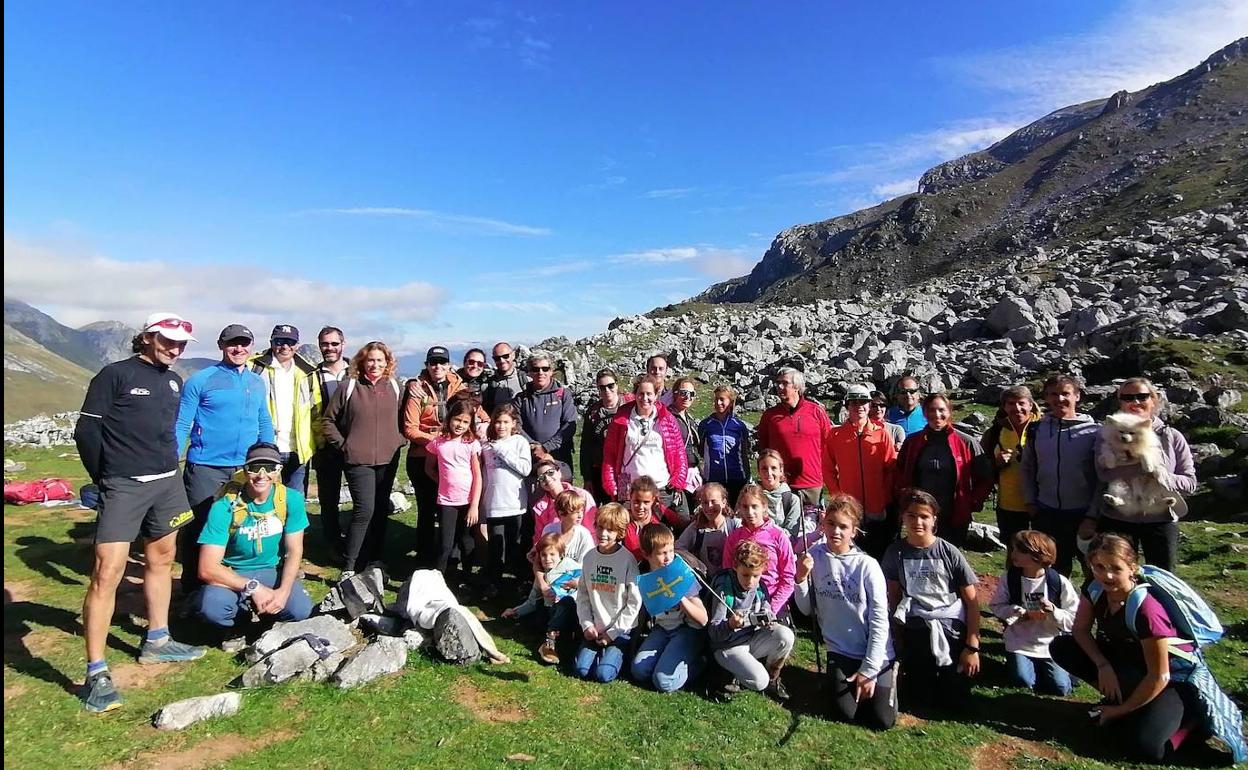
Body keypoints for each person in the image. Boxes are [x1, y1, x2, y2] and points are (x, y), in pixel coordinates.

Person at [73, 312, 206, 713]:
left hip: (167, 483)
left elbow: (165, 431)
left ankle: (158, 639)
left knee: (162, 559)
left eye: (182, 343)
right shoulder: (114, 375)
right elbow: (86, 431)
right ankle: (96, 672)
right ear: (147, 337)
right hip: (124, 485)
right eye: (167, 340)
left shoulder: (173, 380)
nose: (175, 348)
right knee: (107, 572)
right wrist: (104, 477)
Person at [1050, 534, 1244, 764]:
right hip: (1134, 663)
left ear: (1132, 568)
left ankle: (1193, 722)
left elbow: (1159, 675)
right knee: (1064, 647)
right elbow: (1080, 630)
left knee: (1148, 747)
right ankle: (1131, 705)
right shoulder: (1094, 589)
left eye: (1115, 568)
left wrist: (1118, 711)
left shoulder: (1146, 609)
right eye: (1099, 567)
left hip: (1175, 679)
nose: (1107, 575)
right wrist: (1103, 666)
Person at [174, 323, 274, 597]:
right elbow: (183, 423)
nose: (238, 348)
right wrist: (171, 458)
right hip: (206, 466)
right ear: (221, 346)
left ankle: (230, 584)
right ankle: (192, 589)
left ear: (251, 347)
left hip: (245, 468)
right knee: (201, 527)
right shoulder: (201, 379)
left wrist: (270, 456)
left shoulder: (256, 381)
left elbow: (263, 418)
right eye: (232, 343)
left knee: (241, 526)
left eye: (244, 343)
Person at [794, 494, 897, 729]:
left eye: (843, 526)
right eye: (831, 524)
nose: (836, 531)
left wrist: (870, 670)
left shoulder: (868, 566)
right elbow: (806, 609)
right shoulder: (813, 558)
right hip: (840, 650)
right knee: (845, 713)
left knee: (883, 720)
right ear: (823, 524)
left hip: (876, 652)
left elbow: (880, 622)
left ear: (854, 531)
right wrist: (800, 578)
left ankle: (889, 674)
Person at [196, 442, 314, 628]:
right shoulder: (224, 506)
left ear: (278, 471)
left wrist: (283, 592)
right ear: (245, 471)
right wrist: (254, 588)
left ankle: (266, 617)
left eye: (269, 468)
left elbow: (294, 551)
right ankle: (239, 624)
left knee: (300, 610)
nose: (262, 475)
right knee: (213, 610)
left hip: (271, 569)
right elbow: (207, 568)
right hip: (233, 572)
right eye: (254, 468)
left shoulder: (291, 499)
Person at [882, 489, 980, 710]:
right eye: (912, 515)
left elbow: (972, 602)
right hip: (917, 627)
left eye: (924, 516)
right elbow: (893, 598)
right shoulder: (895, 553)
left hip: (951, 629)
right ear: (902, 518)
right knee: (919, 698)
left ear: (934, 519)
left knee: (956, 702)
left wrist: (972, 647)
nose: (918, 521)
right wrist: (896, 640)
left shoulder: (949, 552)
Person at [1085, 378, 1196, 572]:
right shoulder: (1107, 435)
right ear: (1120, 402)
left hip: (1160, 518)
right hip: (1117, 517)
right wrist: (1138, 465)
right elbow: (1103, 474)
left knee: (1163, 577)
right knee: (1114, 575)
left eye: (1142, 396)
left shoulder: (1171, 436)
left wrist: (1161, 475)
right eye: (1128, 397)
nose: (1135, 402)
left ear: (1153, 400)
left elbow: (1190, 482)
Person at [319, 341, 405, 578]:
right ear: (361, 362)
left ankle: (374, 560)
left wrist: (398, 440)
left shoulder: (395, 387)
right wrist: (344, 445)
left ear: (387, 363)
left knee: (379, 510)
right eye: (370, 360)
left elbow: (402, 417)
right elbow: (328, 421)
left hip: (388, 459)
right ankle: (349, 565)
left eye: (380, 360)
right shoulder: (349, 386)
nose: (375, 365)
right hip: (358, 460)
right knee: (364, 510)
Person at [1019, 374, 1098, 575]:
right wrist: (1030, 502)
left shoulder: (1095, 431)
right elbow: (1027, 467)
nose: (1060, 399)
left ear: (1077, 396)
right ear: (1046, 397)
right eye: (1053, 394)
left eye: (1065, 393)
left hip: (1083, 513)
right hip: (1047, 512)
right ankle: (1055, 606)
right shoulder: (1037, 429)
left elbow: (1103, 477)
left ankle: (1092, 607)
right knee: (1052, 570)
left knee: (1093, 571)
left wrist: (1093, 515)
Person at [894, 393, 990, 549]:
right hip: (921, 515)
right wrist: (905, 497)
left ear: (949, 411)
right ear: (925, 413)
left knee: (950, 557)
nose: (936, 415)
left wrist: (972, 501)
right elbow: (900, 472)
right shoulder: (912, 442)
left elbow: (985, 477)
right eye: (931, 410)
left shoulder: (966, 442)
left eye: (941, 410)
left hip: (955, 514)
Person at [988, 530, 1077, 695]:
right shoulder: (1010, 578)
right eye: (1013, 549)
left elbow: (1074, 619)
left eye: (1020, 551)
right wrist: (1012, 611)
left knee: (1061, 688)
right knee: (1022, 681)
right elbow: (996, 606)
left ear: (1038, 555)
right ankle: (1027, 667)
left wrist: (1054, 611)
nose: (1013, 554)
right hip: (1019, 641)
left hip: (1050, 643)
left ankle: (1058, 671)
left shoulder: (1058, 582)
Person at [708, 540, 796, 701]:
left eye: (755, 576)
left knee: (786, 635)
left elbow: (766, 609)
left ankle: (773, 677)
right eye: (745, 575)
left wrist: (767, 619)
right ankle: (727, 672)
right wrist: (729, 625)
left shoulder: (760, 587)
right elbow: (713, 632)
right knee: (758, 681)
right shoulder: (724, 589)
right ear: (735, 568)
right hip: (728, 646)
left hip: (751, 638)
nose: (750, 581)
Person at [403, 345, 466, 567]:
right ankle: (425, 557)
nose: (437, 366)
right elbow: (410, 428)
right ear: (427, 365)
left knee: (450, 509)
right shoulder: (417, 389)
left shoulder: (459, 386)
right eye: (433, 362)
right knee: (427, 508)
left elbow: (471, 412)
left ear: (449, 364)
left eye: (442, 362)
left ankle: (450, 557)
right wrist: (440, 444)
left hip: (451, 459)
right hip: (422, 457)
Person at [631, 522, 708, 693]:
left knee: (663, 682)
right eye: (662, 553)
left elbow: (703, 619)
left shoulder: (680, 573)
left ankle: (700, 662)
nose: (668, 558)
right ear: (646, 554)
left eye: (671, 551)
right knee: (639, 671)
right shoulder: (644, 576)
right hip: (663, 628)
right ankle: (668, 655)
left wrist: (681, 598)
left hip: (687, 629)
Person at [823, 383, 897, 558]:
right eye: (853, 402)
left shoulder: (882, 434)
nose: (859, 406)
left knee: (879, 552)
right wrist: (838, 495)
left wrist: (884, 495)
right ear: (847, 405)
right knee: (851, 554)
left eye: (863, 401)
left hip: (877, 506)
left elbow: (891, 468)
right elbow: (827, 469)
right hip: (849, 507)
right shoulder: (835, 435)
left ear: (869, 405)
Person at [601, 374, 688, 517]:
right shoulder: (621, 418)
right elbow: (610, 454)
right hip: (629, 487)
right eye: (641, 394)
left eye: (649, 394)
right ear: (635, 394)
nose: (645, 398)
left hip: (661, 487)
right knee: (629, 531)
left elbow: (678, 451)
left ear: (656, 395)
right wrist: (610, 483)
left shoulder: (667, 418)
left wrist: (679, 479)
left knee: (659, 533)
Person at [574, 503, 642, 683]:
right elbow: (582, 596)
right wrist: (587, 625)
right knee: (581, 669)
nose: (603, 534)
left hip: (620, 631)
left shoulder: (628, 560)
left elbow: (634, 602)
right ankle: (597, 652)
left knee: (603, 675)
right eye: (601, 527)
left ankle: (619, 653)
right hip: (595, 628)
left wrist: (612, 634)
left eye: (610, 530)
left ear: (619, 533)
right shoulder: (589, 557)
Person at [250, 324, 321, 495]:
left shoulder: (308, 372)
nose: (285, 347)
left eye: (290, 342)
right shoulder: (254, 367)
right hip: (264, 445)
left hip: (298, 449)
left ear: (297, 344)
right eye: (280, 341)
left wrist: (320, 442)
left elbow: (316, 411)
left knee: (295, 501)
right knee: (262, 498)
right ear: (271, 342)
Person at [756, 367, 833, 508]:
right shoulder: (770, 416)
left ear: (797, 386)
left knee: (812, 527)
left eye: (785, 383)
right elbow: (764, 450)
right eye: (778, 383)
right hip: (780, 486)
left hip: (812, 485)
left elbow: (829, 446)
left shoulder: (816, 412)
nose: (779, 387)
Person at [425, 399, 483, 578]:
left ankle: (466, 577)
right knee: (445, 544)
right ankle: (438, 580)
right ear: (450, 418)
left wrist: (474, 506)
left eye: (465, 422)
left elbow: (477, 476)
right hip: (446, 502)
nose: (460, 425)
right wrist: (443, 482)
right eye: (457, 420)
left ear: (470, 424)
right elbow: (429, 468)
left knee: (466, 541)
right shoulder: (438, 443)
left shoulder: (471, 444)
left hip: (467, 502)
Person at [502, 533, 581, 665]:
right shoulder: (543, 576)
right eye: (544, 555)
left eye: (552, 555)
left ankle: (554, 638)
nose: (547, 559)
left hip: (572, 613)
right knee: (542, 610)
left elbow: (586, 583)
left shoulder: (572, 566)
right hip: (551, 612)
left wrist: (577, 584)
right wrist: (516, 611)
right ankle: (550, 641)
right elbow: (532, 601)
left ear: (561, 554)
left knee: (567, 602)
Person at [980, 386, 1041, 551]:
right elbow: (980, 468)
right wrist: (996, 462)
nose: (1017, 408)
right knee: (1014, 553)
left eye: (1022, 403)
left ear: (1031, 405)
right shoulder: (994, 433)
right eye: (1011, 404)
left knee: (1042, 553)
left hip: (1042, 505)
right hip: (1008, 505)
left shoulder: (1044, 428)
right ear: (1004, 407)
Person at [721, 483, 796, 616]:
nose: (750, 512)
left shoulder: (778, 536)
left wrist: (772, 608)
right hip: (742, 602)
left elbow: (788, 578)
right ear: (739, 508)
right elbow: (728, 573)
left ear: (764, 507)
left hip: (773, 600)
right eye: (745, 507)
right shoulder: (734, 537)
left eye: (754, 506)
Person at [481, 403, 532, 595]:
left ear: (513, 424)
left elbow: (525, 469)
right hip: (494, 503)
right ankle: (494, 582)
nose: (501, 426)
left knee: (515, 544)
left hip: (515, 504)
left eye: (505, 422)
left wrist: (502, 451)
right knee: (496, 544)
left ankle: (519, 581)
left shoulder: (519, 442)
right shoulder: (486, 445)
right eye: (497, 422)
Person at [311, 326, 350, 558]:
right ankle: (333, 544)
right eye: (325, 344)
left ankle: (358, 543)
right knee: (329, 498)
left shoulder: (355, 372)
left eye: (334, 344)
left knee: (361, 498)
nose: (330, 348)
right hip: (325, 446)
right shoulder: (312, 375)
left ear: (342, 344)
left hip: (354, 444)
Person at [513, 350, 577, 472]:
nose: (540, 373)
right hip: (530, 458)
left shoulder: (563, 394)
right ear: (529, 372)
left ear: (551, 371)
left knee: (561, 490)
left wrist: (546, 448)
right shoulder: (521, 398)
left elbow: (570, 425)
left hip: (560, 457)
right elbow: (515, 426)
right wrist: (533, 446)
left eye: (545, 368)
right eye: (535, 369)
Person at [580, 368, 631, 505]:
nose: (607, 390)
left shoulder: (628, 406)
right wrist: (587, 478)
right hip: (599, 470)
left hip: (624, 470)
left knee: (623, 507)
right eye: (602, 388)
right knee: (602, 510)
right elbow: (586, 446)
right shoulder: (593, 412)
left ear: (617, 384)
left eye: (610, 386)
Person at [698, 385, 752, 506]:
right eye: (716, 399)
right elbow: (701, 451)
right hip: (714, 479)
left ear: (731, 402)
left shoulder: (739, 426)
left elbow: (744, 453)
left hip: (738, 479)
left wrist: (748, 478)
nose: (718, 403)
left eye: (722, 399)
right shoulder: (705, 425)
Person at [529, 458, 597, 549]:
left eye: (550, 472)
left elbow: (592, 529)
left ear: (559, 472)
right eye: (541, 477)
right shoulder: (540, 507)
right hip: (555, 552)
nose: (547, 478)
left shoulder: (582, 495)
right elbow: (539, 537)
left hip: (581, 548)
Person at [675, 482, 738, 569]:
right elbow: (678, 549)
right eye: (705, 502)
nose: (709, 507)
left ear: (724, 502)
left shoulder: (734, 526)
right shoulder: (696, 529)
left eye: (713, 501)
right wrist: (693, 563)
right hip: (707, 580)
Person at [622, 476, 684, 560]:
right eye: (636, 501)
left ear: (653, 500)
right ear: (630, 497)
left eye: (646, 502)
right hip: (632, 569)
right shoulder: (622, 519)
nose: (641, 507)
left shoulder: (660, 513)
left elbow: (684, 526)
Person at [668, 377, 703, 511]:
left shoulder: (689, 419)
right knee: (682, 516)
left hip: (693, 473)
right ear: (675, 393)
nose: (687, 397)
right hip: (677, 475)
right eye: (683, 393)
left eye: (691, 394)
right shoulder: (668, 416)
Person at [538, 491, 595, 563]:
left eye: (581, 511)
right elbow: (541, 557)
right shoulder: (549, 530)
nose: (580, 516)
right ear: (561, 513)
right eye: (576, 512)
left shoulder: (584, 534)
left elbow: (587, 563)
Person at [756, 449, 802, 535]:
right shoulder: (751, 497)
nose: (769, 473)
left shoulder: (791, 500)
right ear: (758, 471)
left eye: (773, 468)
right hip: (752, 545)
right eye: (764, 468)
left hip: (780, 546)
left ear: (781, 471)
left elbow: (791, 534)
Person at [483, 341, 523, 413]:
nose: (502, 361)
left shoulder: (526, 380)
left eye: (505, 356)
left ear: (513, 355)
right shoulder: (489, 386)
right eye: (497, 358)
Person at [885, 375, 926, 440]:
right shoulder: (887, 415)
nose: (908, 395)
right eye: (903, 392)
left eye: (912, 391)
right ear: (897, 395)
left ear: (918, 394)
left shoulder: (927, 414)